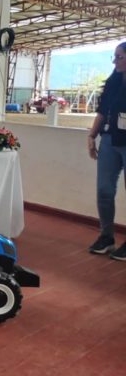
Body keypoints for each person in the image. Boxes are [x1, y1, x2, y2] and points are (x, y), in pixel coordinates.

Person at [87, 41, 126, 260]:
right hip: (110, 140)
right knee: (104, 190)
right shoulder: (112, 83)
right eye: (114, 56)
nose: (115, 61)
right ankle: (107, 236)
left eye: (119, 57)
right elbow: (102, 111)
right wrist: (92, 136)